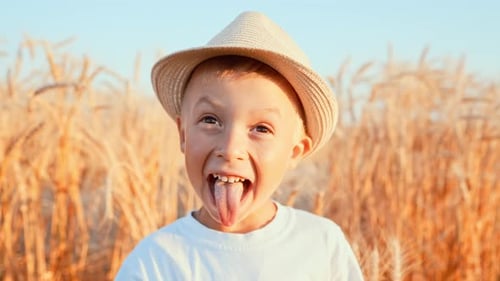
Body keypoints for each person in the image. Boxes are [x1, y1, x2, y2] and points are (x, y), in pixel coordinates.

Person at [115, 11, 364, 280]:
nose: (231, 148)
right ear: (183, 134)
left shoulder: (321, 245)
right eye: (210, 120)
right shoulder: (156, 260)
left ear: (294, 152)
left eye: (261, 128)